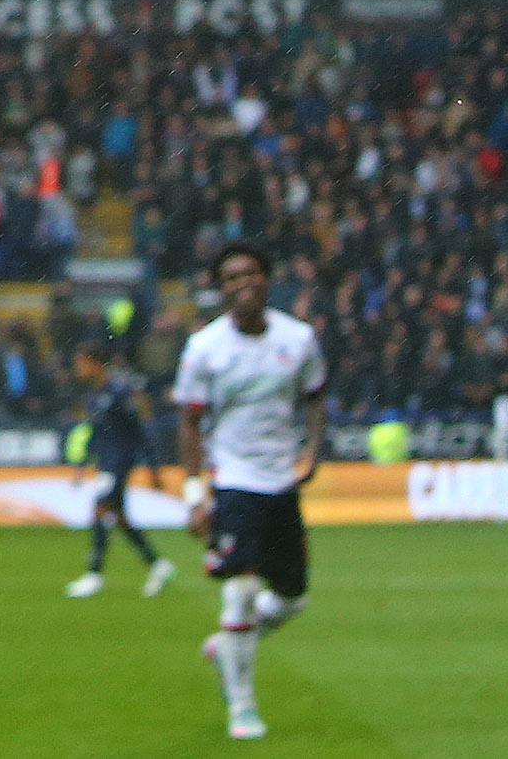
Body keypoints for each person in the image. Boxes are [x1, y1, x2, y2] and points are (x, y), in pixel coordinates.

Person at [174, 246, 325, 744]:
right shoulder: (204, 349)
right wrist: (196, 494)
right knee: (238, 590)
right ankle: (242, 705)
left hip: (282, 483)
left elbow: (315, 396)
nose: (243, 282)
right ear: (221, 289)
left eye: (251, 273)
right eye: (231, 276)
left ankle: (227, 645)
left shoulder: (299, 339)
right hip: (234, 482)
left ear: (266, 278)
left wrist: (312, 451)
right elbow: (190, 424)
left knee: (292, 599)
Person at [65, 351, 175, 599]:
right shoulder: (93, 395)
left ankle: (94, 574)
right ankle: (158, 565)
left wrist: (153, 468)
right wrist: (83, 465)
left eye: (81, 364)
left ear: (95, 364)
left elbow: (140, 430)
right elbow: (96, 434)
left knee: (101, 509)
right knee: (119, 516)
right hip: (106, 461)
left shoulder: (118, 392)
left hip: (120, 461)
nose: (78, 370)